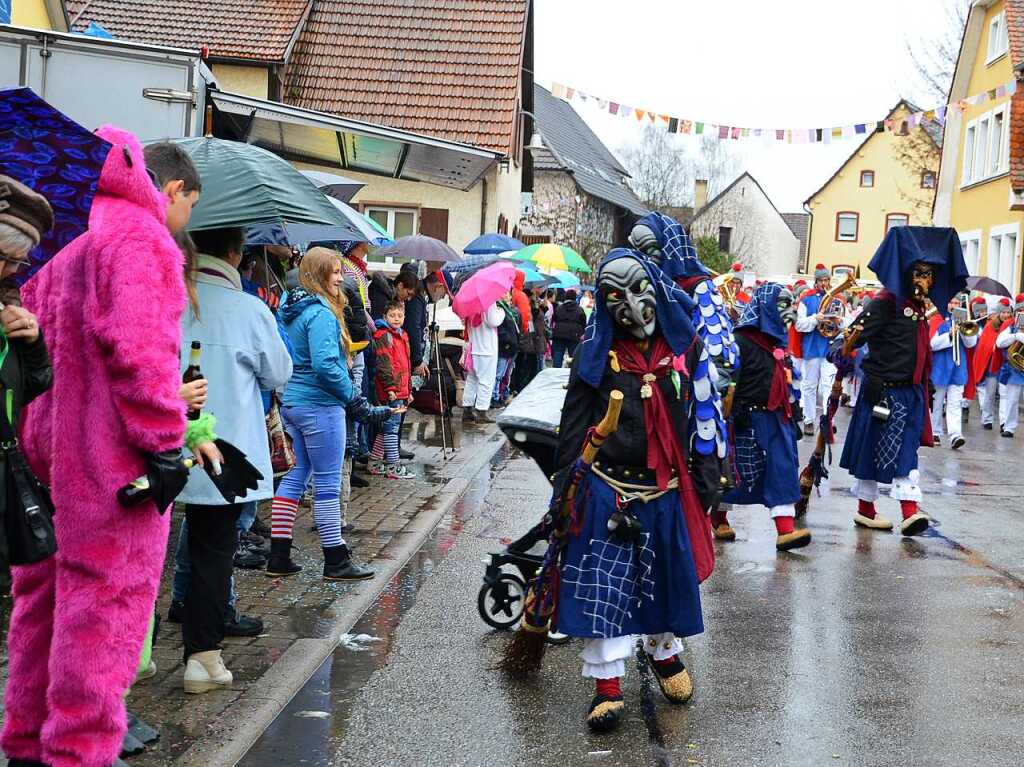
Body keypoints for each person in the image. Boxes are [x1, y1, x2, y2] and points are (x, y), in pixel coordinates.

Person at [3, 133, 204, 767]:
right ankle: (79, 751)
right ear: (169, 189)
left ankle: (27, 743)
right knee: (104, 607)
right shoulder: (140, 237)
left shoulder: (61, 232)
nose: (185, 220)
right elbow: (140, 353)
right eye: (189, 206)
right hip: (108, 463)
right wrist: (166, 444)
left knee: (41, 603)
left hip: (40, 454)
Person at [547, 249, 724, 733]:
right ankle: (607, 685)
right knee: (606, 587)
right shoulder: (593, 354)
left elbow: (704, 420)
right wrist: (564, 488)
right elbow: (573, 425)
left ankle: (664, 652)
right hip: (607, 486)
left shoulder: (684, 350)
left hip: (666, 487)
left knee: (664, 578)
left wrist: (709, 476)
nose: (630, 305)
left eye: (638, 290)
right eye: (615, 296)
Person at [175, 226, 293, 693]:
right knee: (212, 551)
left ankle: (132, 658)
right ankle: (202, 658)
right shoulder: (248, 308)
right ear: (235, 252)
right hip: (225, 456)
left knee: (141, 555)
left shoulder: (163, 297)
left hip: (157, 441)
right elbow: (278, 371)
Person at [838, 227, 967, 537]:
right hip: (884, 393)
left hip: (911, 393)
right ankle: (902, 510)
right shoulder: (884, 302)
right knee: (883, 452)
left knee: (904, 449)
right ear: (907, 273)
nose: (927, 280)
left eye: (931, 274)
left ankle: (879, 510)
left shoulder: (920, 307)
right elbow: (848, 341)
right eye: (920, 273)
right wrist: (848, 358)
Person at [269, 248, 373, 581]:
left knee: (296, 476)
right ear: (316, 274)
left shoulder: (289, 306)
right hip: (320, 405)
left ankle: (279, 555)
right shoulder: (321, 314)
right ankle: (335, 558)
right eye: (334, 272)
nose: (341, 278)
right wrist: (353, 398)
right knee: (327, 483)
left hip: (294, 403)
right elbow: (326, 365)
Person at [719, 283, 809, 550]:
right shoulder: (740, 342)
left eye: (790, 305)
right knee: (734, 474)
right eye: (782, 305)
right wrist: (731, 414)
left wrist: (796, 415)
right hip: (746, 420)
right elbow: (727, 385)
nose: (788, 312)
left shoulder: (778, 342)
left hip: (777, 419)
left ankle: (785, 530)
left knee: (782, 471)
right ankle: (718, 518)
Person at [0, 178, 54, 597]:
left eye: (19, 262)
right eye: (5, 259)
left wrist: (33, 343)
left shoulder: (9, 310)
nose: (12, 272)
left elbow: (36, 385)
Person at [369, 300, 414, 479]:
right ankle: (393, 465)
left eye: (399, 315)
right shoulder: (383, 336)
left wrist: (408, 390)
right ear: (385, 317)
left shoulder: (402, 335)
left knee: (386, 427)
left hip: (401, 389)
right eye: (392, 315)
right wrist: (390, 388)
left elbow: (407, 365)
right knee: (392, 428)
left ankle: (374, 461)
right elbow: (384, 364)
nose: (396, 319)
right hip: (391, 389)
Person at [929, 295, 977, 450]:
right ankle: (934, 431)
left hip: (958, 367)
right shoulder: (937, 320)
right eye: (952, 302)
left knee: (955, 403)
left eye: (957, 303)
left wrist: (963, 330)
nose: (954, 305)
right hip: (940, 366)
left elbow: (971, 344)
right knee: (936, 402)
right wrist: (949, 334)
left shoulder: (965, 321)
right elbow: (932, 344)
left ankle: (955, 435)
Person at [795, 264, 838, 436]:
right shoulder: (806, 299)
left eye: (827, 280)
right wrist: (815, 318)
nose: (824, 284)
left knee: (829, 385)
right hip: (812, 347)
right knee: (810, 385)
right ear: (816, 281)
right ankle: (809, 420)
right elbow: (799, 325)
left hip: (830, 349)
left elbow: (848, 323)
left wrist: (839, 321)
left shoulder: (837, 299)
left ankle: (828, 420)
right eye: (821, 280)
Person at [461, 297, 505, 423]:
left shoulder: (469, 302)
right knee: (486, 381)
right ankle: (481, 411)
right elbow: (493, 320)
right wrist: (501, 311)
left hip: (474, 347)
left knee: (472, 380)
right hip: (487, 349)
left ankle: (467, 409)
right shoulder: (488, 301)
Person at [973, 297, 1011, 429]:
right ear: (999, 313)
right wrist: (993, 347)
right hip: (993, 365)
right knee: (990, 393)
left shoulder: (1012, 326)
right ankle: (987, 419)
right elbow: (984, 345)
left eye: (1008, 312)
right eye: (1004, 312)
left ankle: (1004, 422)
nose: (1006, 315)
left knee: (1004, 394)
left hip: (1005, 365)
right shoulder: (990, 325)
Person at [995, 294, 1024, 438]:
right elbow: (999, 343)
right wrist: (1015, 336)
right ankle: (1010, 427)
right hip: (1016, 368)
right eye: (1021, 310)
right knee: (1012, 399)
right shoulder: (1011, 326)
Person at [493, 292, 520, 407]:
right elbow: (501, 329)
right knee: (498, 374)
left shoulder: (508, 309)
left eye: (508, 294)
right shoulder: (499, 309)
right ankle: (494, 397)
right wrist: (508, 341)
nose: (506, 296)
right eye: (504, 293)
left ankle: (499, 394)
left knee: (504, 374)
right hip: (504, 347)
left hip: (510, 347)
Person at [550, 288, 587, 368]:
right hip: (574, 334)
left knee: (558, 354)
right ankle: (572, 372)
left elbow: (553, 320)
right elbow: (584, 323)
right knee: (573, 356)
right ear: (575, 298)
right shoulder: (579, 309)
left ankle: (556, 372)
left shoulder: (559, 308)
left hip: (559, 333)